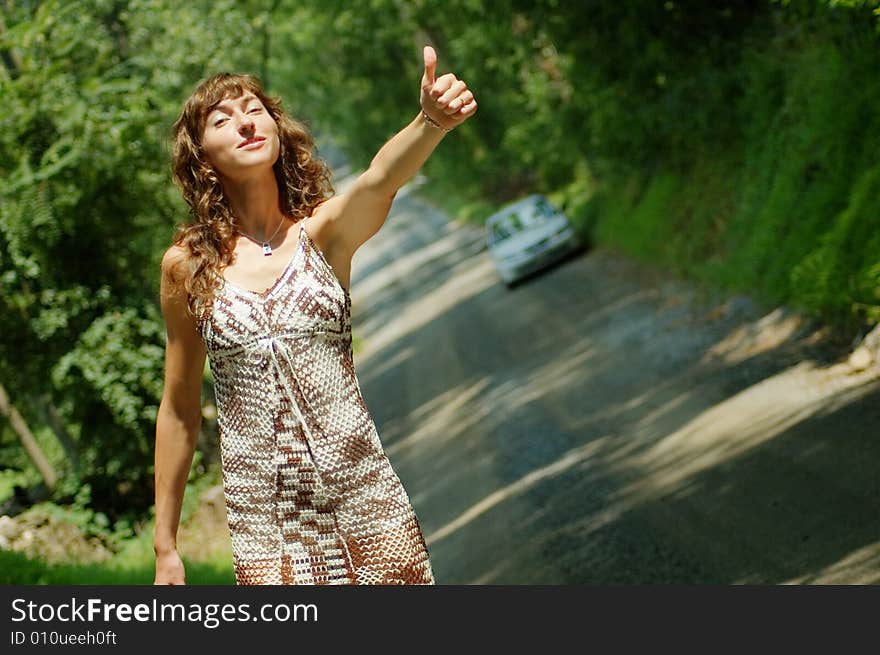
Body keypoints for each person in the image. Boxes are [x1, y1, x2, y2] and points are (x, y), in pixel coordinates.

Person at [153, 45, 477, 585]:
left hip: (368, 503)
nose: (244, 122)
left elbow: (379, 179)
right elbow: (180, 407)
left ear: (279, 131)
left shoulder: (322, 235)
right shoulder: (187, 269)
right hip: (269, 532)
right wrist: (166, 544)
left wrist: (430, 122)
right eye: (222, 118)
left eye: (254, 110)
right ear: (201, 155)